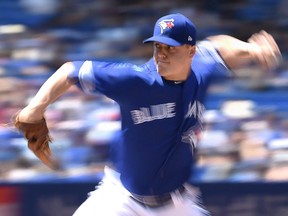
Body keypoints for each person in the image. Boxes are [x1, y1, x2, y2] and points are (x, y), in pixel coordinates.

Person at [14, 13, 281, 216]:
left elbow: (220, 46)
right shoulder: (136, 80)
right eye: (158, 47)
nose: (161, 54)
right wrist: (34, 109)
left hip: (177, 204)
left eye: (171, 48)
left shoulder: (203, 67)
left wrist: (251, 49)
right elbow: (70, 70)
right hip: (122, 199)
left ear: (191, 51)